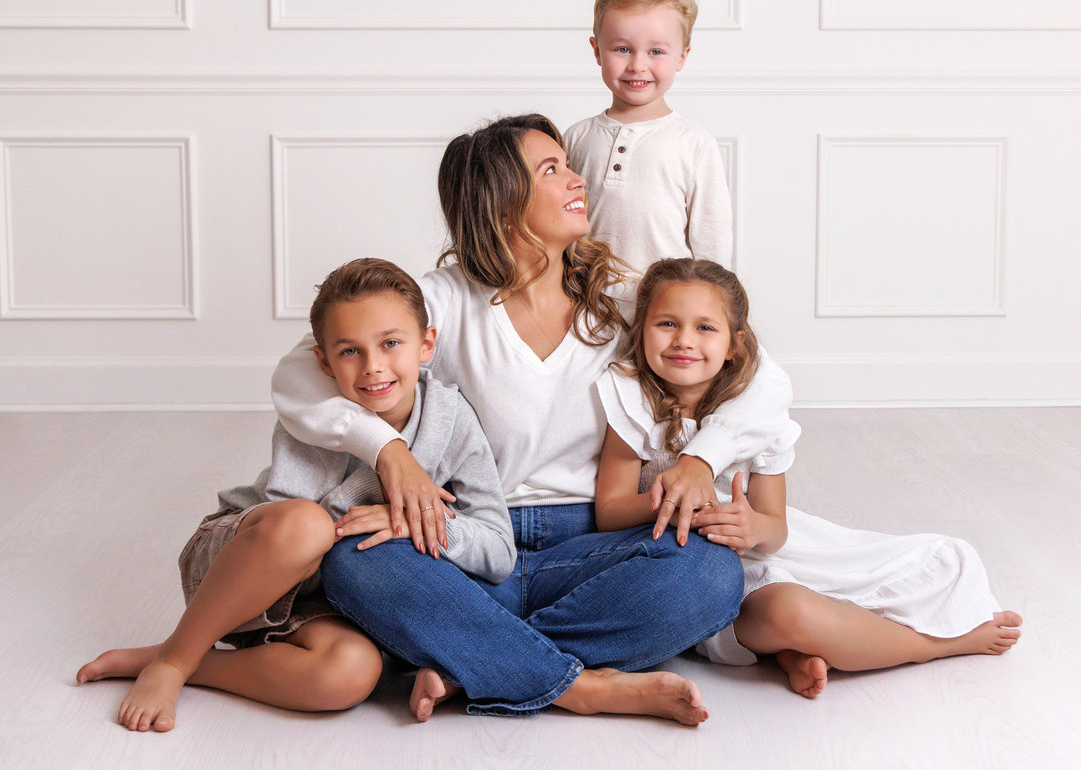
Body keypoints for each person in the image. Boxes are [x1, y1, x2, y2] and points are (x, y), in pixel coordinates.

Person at [271, 114, 795, 724]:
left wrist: (705, 455)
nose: (579, 179)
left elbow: (764, 376)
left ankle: (472, 662)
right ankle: (577, 686)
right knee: (355, 557)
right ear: (502, 205)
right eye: (553, 169)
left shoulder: (624, 298)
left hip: (596, 544)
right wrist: (388, 450)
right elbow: (295, 375)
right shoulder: (437, 299)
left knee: (708, 572)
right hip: (458, 538)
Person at [76, 257, 515, 731]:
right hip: (247, 566)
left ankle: (187, 660)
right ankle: (173, 663)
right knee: (310, 526)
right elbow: (294, 537)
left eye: (391, 344)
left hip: (328, 601)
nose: (373, 368)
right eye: (350, 351)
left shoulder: (453, 420)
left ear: (426, 344)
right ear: (323, 360)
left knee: (351, 676)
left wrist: (412, 522)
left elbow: (499, 550)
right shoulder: (320, 413)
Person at [595, 258, 1023, 698]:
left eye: (705, 328)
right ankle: (926, 647)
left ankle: (910, 644)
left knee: (915, 569)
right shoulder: (634, 403)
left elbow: (775, 529)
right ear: (641, 328)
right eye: (667, 323)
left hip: (759, 568)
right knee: (791, 616)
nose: (684, 340)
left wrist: (753, 526)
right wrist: (678, 503)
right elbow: (607, 512)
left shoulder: (756, 415)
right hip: (695, 583)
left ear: (734, 346)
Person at [563, 0, 732, 287]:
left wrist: (707, 305)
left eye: (656, 51)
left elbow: (711, 241)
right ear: (597, 50)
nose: (637, 65)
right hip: (585, 304)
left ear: (682, 57)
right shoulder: (577, 138)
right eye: (622, 49)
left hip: (662, 311)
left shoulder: (693, 143)